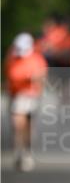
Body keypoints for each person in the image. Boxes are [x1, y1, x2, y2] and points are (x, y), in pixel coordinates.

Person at [4, 33, 48, 171]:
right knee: (17, 124)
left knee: (27, 124)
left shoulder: (36, 58)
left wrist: (35, 78)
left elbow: (42, 75)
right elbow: (8, 76)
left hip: (30, 95)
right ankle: (19, 151)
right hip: (16, 94)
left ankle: (27, 151)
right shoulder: (11, 57)